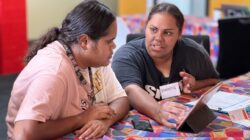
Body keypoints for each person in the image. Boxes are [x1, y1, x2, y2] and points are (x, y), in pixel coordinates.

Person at [6, 1, 129, 139]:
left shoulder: (95, 61)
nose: (113, 46)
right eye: (108, 41)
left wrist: (104, 122)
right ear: (84, 42)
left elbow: (121, 99)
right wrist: (83, 117)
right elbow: (24, 134)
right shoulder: (54, 71)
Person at [112, 3, 219, 128]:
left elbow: (215, 81)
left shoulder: (194, 53)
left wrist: (196, 84)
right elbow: (130, 90)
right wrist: (158, 110)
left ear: (179, 34)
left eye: (167, 33)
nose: (158, 38)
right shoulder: (127, 55)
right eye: (153, 29)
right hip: (141, 128)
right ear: (145, 28)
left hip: (183, 121)